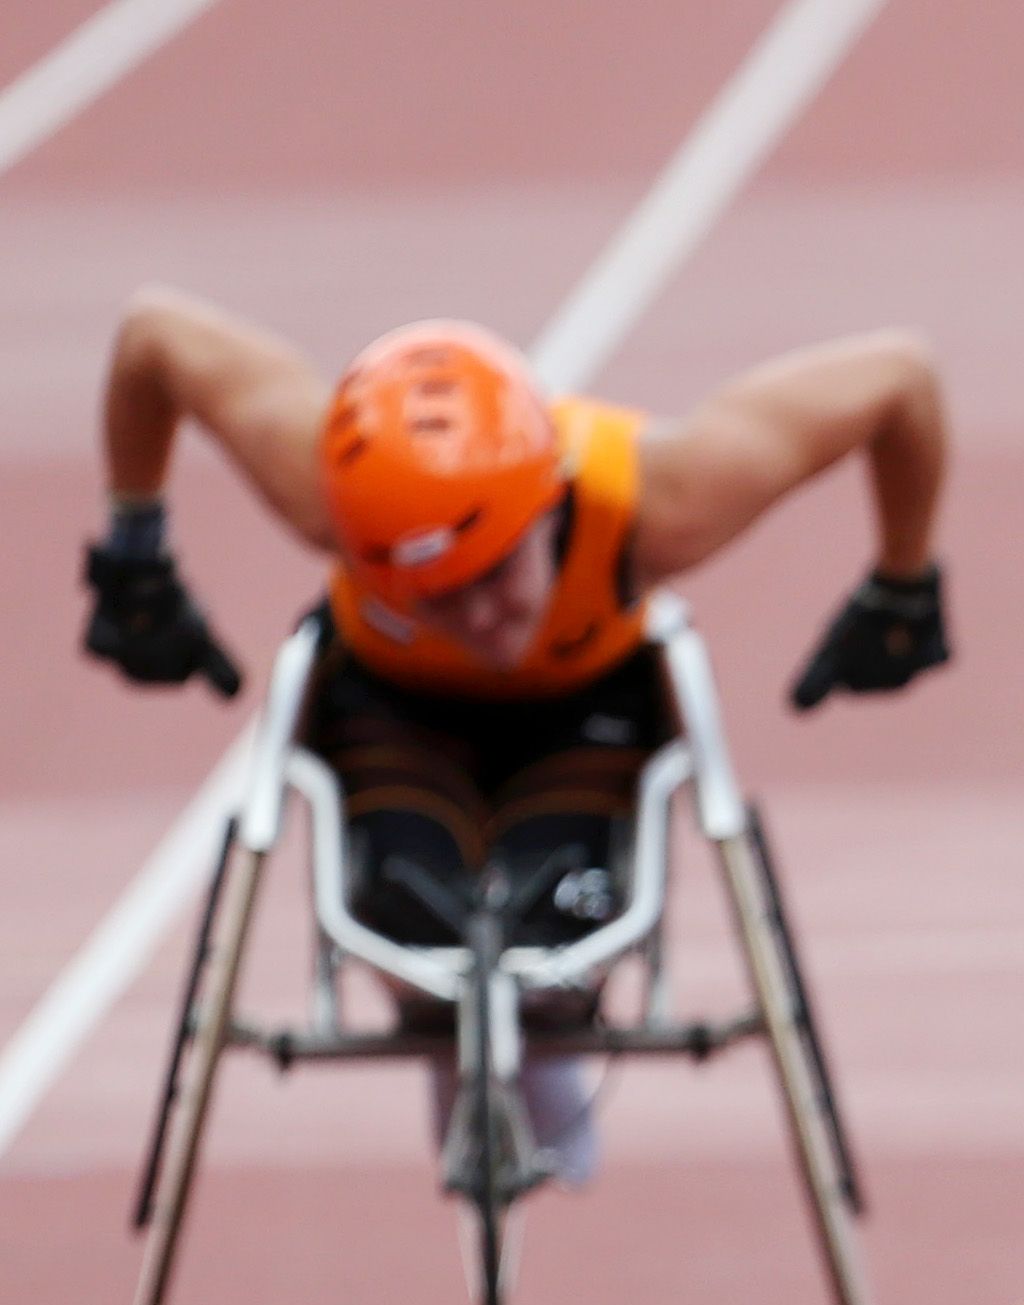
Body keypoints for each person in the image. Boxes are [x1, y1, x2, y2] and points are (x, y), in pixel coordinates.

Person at [80, 293, 951, 1183]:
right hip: (395, 704)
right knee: (410, 937)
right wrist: (135, 557)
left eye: (496, 572)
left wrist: (902, 583)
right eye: (441, 595)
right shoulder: (330, 494)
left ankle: (535, 1051)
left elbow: (900, 376)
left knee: (556, 956)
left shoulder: (665, 496)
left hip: (586, 704)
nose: (482, 616)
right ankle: (454, 1040)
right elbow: (153, 337)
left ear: (545, 502)